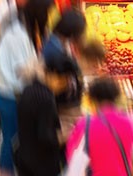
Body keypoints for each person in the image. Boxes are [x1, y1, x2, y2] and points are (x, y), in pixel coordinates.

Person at [65, 77, 133, 176]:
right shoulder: (129, 123)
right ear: (116, 97)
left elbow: (71, 157)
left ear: (92, 99)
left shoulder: (85, 124)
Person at [0, 6, 38, 176]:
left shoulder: (15, 29)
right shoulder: (17, 36)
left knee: (10, 141)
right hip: (11, 97)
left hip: (6, 94)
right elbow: (24, 70)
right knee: (11, 144)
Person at [41, 8, 86, 141]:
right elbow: (56, 84)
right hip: (62, 109)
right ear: (73, 33)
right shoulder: (54, 52)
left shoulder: (55, 40)